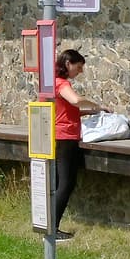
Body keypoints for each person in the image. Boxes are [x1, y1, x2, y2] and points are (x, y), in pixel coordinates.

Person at [47, 47, 89, 239]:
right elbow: (75, 100)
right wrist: (93, 103)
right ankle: (53, 228)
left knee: (58, 183)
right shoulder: (62, 84)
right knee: (66, 183)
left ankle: (49, 225)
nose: (80, 72)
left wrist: (93, 111)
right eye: (78, 67)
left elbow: (67, 110)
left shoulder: (53, 83)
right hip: (65, 137)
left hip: (57, 135)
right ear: (67, 64)